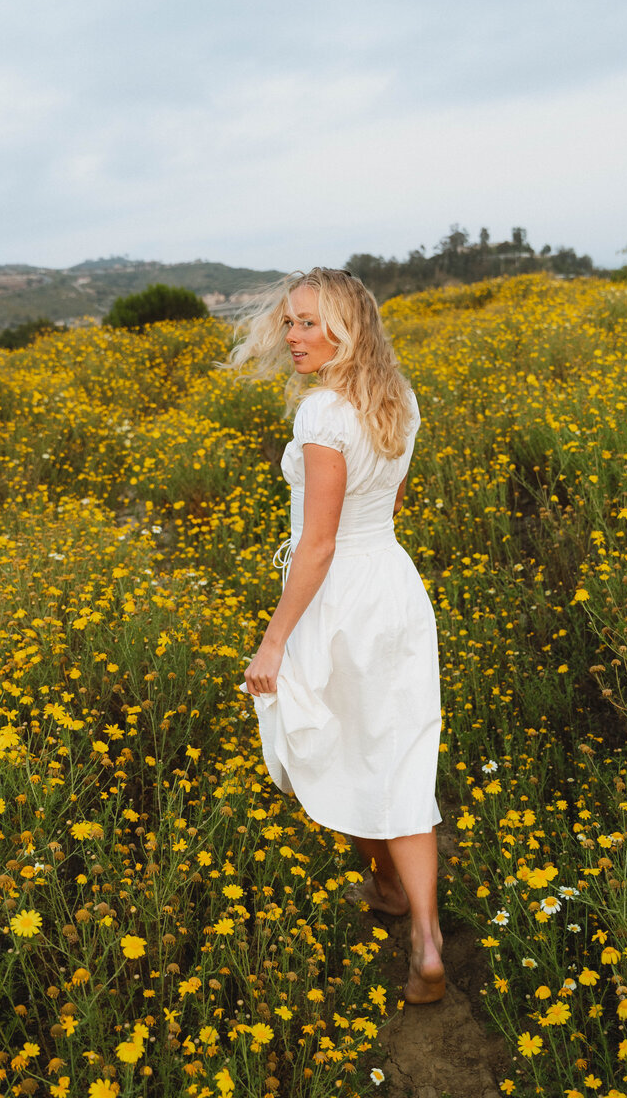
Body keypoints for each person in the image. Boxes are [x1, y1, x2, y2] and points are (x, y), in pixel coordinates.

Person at [231, 267, 444, 1003]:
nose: (294, 336)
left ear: (346, 327)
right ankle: (423, 936)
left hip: (336, 597)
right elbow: (390, 501)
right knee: (403, 756)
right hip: (394, 585)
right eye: (290, 321)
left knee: (338, 747)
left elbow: (317, 545)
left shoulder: (322, 414)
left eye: (309, 323)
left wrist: (273, 640)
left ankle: (387, 888)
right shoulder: (399, 398)